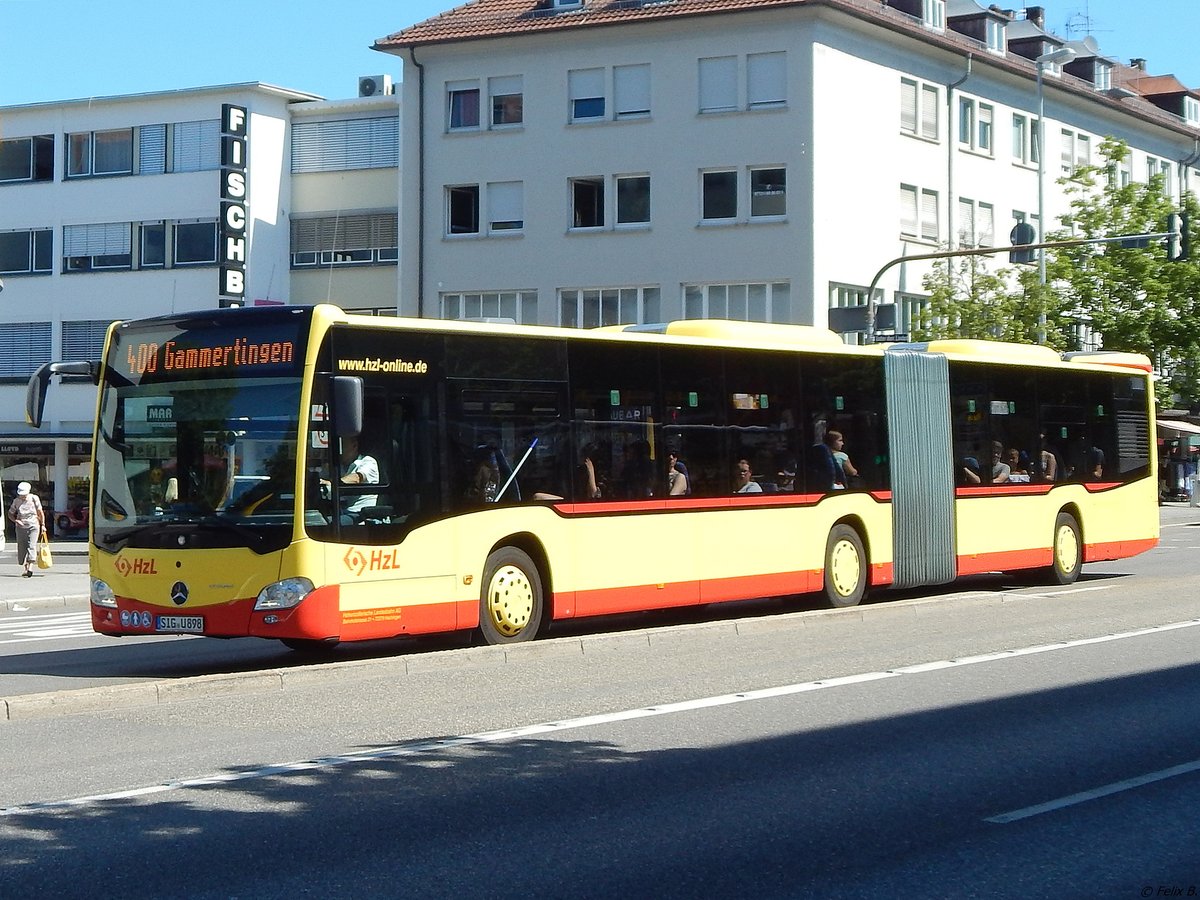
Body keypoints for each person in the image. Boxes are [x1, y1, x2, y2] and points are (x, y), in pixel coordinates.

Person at [9, 481, 45, 578]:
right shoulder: (16, 501)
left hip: (33, 525)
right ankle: (25, 564)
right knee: (22, 546)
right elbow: (10, 513)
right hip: (20, 527)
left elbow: (40, 512)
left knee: (31, 546)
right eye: (21, 494)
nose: (23, 496)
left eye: (24, 494)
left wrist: (43, 525)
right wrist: (16, 521)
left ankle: (30, 567)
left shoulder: (34, 498)